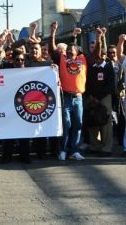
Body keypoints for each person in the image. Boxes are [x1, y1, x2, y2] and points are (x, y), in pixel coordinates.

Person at [49, 22, 86, 161]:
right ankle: (63, 150)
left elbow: (81, 49)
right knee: (67, 125)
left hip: (79, 98)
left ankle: (74, 151)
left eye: (72, 52)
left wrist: (75, 37)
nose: (70, 53)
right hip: (66, 98)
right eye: (68, 51)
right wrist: (53, 32)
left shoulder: (82, 60)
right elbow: (53, 50)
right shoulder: (62, 60)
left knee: (78, 125)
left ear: (77, 53)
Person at [85, 28, 115, 156]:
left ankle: (106, 148)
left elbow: (110, 85)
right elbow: (88, 83)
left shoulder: (108, 68)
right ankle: (95, 146)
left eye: (101, 55)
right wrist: (91, 96)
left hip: (104, 97)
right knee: (92, 121)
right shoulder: (91, 67)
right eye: (96, 55)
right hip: (92, 97)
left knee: (105, 121)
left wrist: (99, 97)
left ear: (104, 56)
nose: (98, 57)